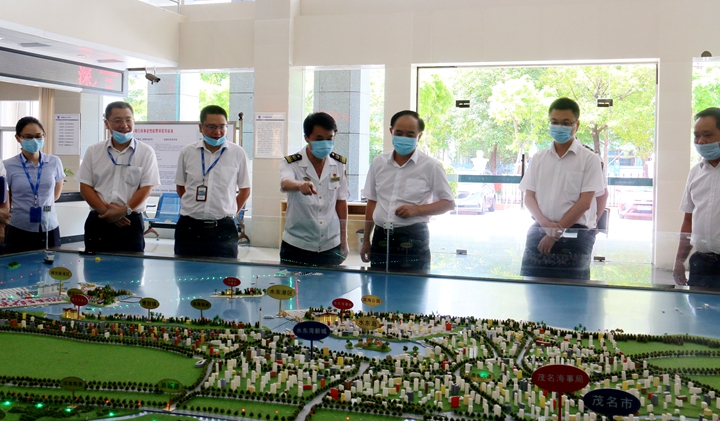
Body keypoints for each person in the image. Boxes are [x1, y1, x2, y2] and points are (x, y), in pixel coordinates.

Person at [519, 97, 605, 280]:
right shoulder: (539, 158)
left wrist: (554, 234)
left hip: (576, 234)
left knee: (573, 291)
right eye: (554, 122)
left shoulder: (589, 159)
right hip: (540, 228)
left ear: (577, 125)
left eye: (566, 123)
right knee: (532, 287)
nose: (559, 127)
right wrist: (546, 226)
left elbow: (585, 202)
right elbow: (529, 196)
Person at [360, 110, 455, 271]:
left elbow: (448, 203)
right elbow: (372, 201)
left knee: (413, 285)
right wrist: (366, 240)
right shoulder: (379, 162)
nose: (404, 138)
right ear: (391, 131)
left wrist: (417, 210)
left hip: (413, 237)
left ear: (419, 136)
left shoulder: (431, 166)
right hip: (381, 236)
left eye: (410, 134)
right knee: (378, 284)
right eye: (399, 133)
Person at [76, 101, 160, 253]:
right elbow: (85, 186)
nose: (124, 125)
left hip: (130, 221)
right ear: (106, 123)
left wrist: (123, 211)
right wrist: (107, 213)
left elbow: (146, 188)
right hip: (99, 220)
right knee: (94, 266)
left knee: (131, 267)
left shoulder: (146, 152)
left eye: (128, 120)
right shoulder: (94, 151)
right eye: (117, 120)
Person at [174, 105, 251, 259]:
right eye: (211, 127)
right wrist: (194, 206)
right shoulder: (188, 152)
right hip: (190, 227)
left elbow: (245, 190)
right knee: (185, 271)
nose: (217, 132)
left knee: (225, 273)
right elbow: (180, 186)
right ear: (200, 127)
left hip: (223, 229)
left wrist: (229, 212)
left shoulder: (238, 153)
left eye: (222, 127)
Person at [279, 112, 349, 267]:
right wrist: (299, 185)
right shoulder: (291, 163)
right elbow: (285, 183)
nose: (325, 143)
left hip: (331, 244)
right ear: (307, 138)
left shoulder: (338, 164)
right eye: (319, 139)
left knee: (332, 283)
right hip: (297, 245)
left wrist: (344, 240)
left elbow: (341, 202)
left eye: (329, 138)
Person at [2, 117, 65, 253]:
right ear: (18, 138)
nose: (34, 141)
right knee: (18, 264)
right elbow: (7, 198)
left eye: (38, 136)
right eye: (28, 137)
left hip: (49, 227)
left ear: (44, 136)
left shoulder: (54, 162)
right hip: (19, 227)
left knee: (51, 264)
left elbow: (55, 195)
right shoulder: (8, 165)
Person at [673, 107, 720, 287]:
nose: (701, 141)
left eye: (708, 135)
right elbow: (688, 220)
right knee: (699, 305)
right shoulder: (696, 172)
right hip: (701, 264)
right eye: (697, 136)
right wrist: (679, 260)